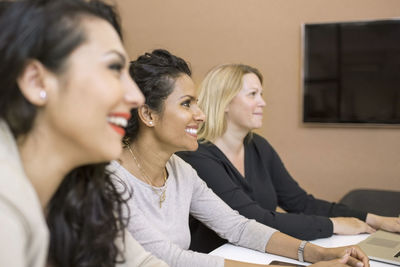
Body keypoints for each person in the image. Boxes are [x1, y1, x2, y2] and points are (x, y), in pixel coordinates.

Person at [110, 49, 370, 267]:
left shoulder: (180, 170)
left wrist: (317, 254)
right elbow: (169, 258)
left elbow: (238, 227)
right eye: (187, 104)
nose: (201, 115)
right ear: (148, 114)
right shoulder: (111, 180)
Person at [0, 1, 168, 266]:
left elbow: (140, 263)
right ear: (37, 81)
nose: (136, 97)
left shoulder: (85, 186)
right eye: (114, 68)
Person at [177, 63, 400, 252]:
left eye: (261, 94)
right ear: (224, 102)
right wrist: (333, 225)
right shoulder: (196, 156)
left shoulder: (258, 146)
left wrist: (372, 218)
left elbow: (300, 202)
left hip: (258, 254)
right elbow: (254, 220)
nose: (263, 102)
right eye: (253, 94)